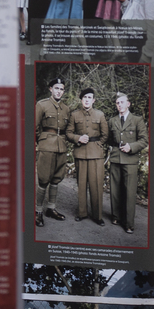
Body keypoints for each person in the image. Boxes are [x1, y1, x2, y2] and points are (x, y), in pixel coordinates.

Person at [66, 88, 108, 225]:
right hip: (80, 153)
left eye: (89, 98)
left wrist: (98, 145)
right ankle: (82, 213)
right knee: (82, 184)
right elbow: (69, 133)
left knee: (96, 185)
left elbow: (105, 134)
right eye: (84, 98)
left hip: (96, 154)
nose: (87, 100)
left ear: (93, 100)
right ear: (81, 100)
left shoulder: (100, 114)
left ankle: (97, 216)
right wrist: (78, 138)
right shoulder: (74, 115)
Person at [107, 92, 148, 233]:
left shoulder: (137, 120)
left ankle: (129, 223)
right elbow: (109, 139)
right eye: (117, 103)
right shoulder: (112, 121)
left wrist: (131, 147)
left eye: (122, 102)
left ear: (128, 104)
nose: (120, 105)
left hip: (130, 160)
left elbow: (144, 140)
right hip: (115, 159)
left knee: (129, 192)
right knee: (115, 190)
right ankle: (116, 216)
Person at [35, 77, 70, 227]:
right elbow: (35, 127)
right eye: (56, 88)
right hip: (46, 145)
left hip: (61, 146)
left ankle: (51, 209)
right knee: (43, 179)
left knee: (57, 177)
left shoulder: (66, 108)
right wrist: (41, 141)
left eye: (61, 89)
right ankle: (37, 212)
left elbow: (67, 129)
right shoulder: (41, 105)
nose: (59, 91)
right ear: (50, 89)